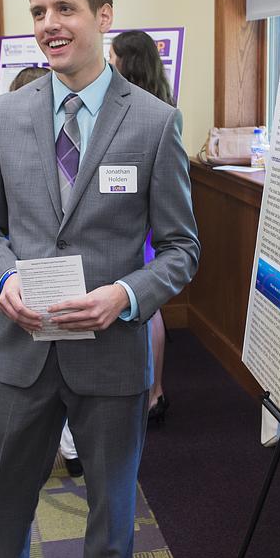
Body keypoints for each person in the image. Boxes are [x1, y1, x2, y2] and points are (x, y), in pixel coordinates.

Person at [0, 0, 199, 558]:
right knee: (2, 496)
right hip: (22, 348)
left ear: (103, 15)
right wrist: (3, 279)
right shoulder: (5, 114)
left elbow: (183, 248)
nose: (48, 24)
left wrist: (125, 294)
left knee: (109, 507)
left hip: (110, 353)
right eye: (38, 11)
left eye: (64, 8)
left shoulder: (153, 122)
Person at [108, 30, 175, 424]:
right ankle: (155, 390)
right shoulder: (162, 103)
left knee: (142, 303)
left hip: (139, 218)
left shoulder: (140, 110)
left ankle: (150, 392)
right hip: (149, 215)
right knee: (146, 302)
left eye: (112, 56)